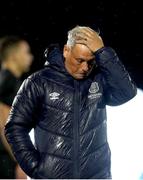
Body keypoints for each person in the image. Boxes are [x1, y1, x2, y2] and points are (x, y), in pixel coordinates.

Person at [5, 26, 137, 179]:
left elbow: (127, 93)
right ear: (66, 50)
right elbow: (15, 127)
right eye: (79, 60)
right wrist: (35, 168)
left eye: (91, 61)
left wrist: (103, 52)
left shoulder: (99, 79)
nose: (85, 67)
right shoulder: (38, 82)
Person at [0, 36, 33, 178]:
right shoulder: (9, 83)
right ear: (14, 56)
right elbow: (4, 125)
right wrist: (21, 161)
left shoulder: (7, 80)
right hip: (6, 162)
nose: (30, 57)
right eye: (26, 52)